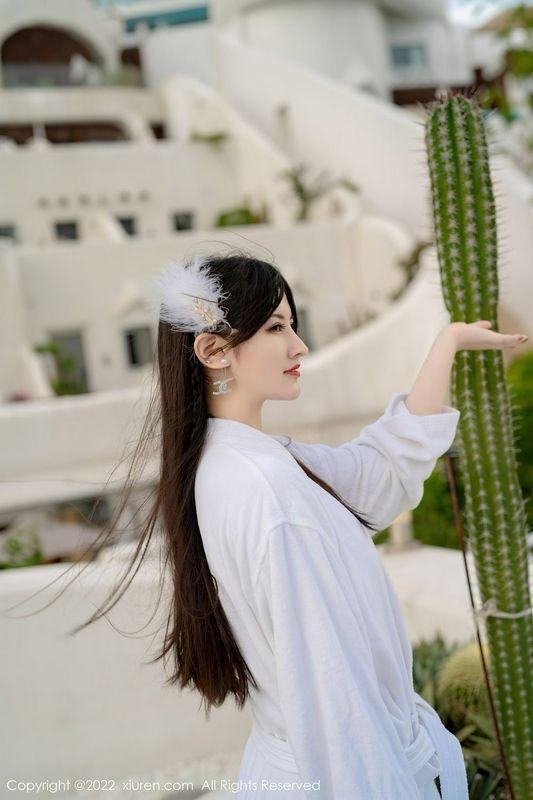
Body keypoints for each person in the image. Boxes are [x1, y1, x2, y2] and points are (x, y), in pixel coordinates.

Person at [65, 250, 528, 799]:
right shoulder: (268, 490)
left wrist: (446, 344)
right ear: (214, 351)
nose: (299, 346)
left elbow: (377, 473)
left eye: (293, 324)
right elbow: (336, 705)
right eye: (276, 327)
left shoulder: (238, 462)